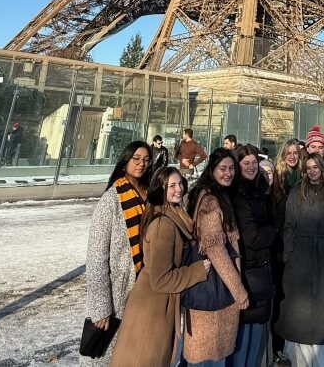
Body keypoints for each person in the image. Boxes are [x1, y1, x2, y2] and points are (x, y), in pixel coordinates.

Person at [111, 167, 210, 367]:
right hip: (152, 309)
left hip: (158, 304)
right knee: (145, 359)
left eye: (180, 183)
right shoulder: (163, 226)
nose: (179, 189)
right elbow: (161, 279)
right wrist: (197, 271)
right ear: (160, 189)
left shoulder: (172, 215)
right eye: (171, 186)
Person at [81, 140, 151, 366]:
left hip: (145, 285)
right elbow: (96, 257)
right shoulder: (111, 199)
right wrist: (100, 306)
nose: (141, 164)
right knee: (107, 355)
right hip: (118, 290)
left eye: (146, 160)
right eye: (136, 159)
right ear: (125, 161)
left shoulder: (150, 194)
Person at [276, 153, 324, 367]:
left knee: (321, 315)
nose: (313, 170)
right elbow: (289, 225)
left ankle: (322, 362)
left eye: (316, 166)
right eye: (309, 167)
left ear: (323, 168)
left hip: (323, 256)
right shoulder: (297, 191)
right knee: (299, 314)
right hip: (300, 256)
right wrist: (289, 254)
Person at [183, 148, 249, 367]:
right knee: (209, 357)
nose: (228, 173)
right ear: (212, 170)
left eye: (231, 168)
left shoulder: (208, 194)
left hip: (212, 286)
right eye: (223, 169)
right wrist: (239, 291)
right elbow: (216, 250)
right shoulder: (211, 201)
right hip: (215, 289)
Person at [230, 144, 277, 367]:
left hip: (261, 267)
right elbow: (252, 237)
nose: (251, 167)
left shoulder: (259, 189)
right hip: (249, 269)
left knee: (255, 336)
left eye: (254, 163)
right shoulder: (240, 195)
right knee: (244, 336)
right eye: (245, 163)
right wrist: (274, 231)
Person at [271, 139, 303, 367]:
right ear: (283, 155)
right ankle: (276, 348)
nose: (292, 156)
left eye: (296, 153)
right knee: (279, 299)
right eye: (288, 153)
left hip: (299, 247)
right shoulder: (276, 180)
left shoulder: (304, 180)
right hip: (279, 247)